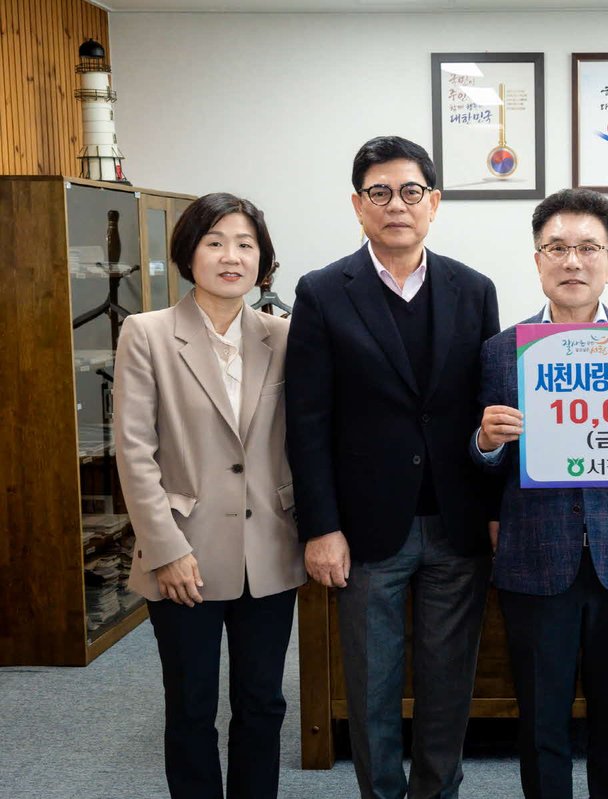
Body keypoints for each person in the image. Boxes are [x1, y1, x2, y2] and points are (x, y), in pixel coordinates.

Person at [285, 136, 499, 799]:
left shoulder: (474, 289)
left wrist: (495, 512)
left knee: (448, 681)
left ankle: (438, 792)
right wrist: (321, 527)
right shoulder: (322, 292)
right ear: (358, 205)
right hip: (366, 528)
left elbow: (488, 407)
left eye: (411, 191)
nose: (396, 205)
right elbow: (306, 421)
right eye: (379, 192)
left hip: (456, 523)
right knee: (371, 684)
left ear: (434, 202)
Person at [471, 188, 608, 799]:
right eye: (557, 248)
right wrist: (484, 441)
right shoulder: (500, 351)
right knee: (541, 720)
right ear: (537, 260)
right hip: (534, 559)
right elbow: (480, 467)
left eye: (588, 248)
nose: (572, 261)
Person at [114, 192, 305, 798]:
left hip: (268, 549)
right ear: (188, 254)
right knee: (191, 706)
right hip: (183, 552)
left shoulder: (284, 336)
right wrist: (165, 548)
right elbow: (134, 451)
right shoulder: (146, 333)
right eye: (215, 242)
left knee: (263, 704)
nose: (231, 256)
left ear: (262, 261)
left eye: (246, 244)